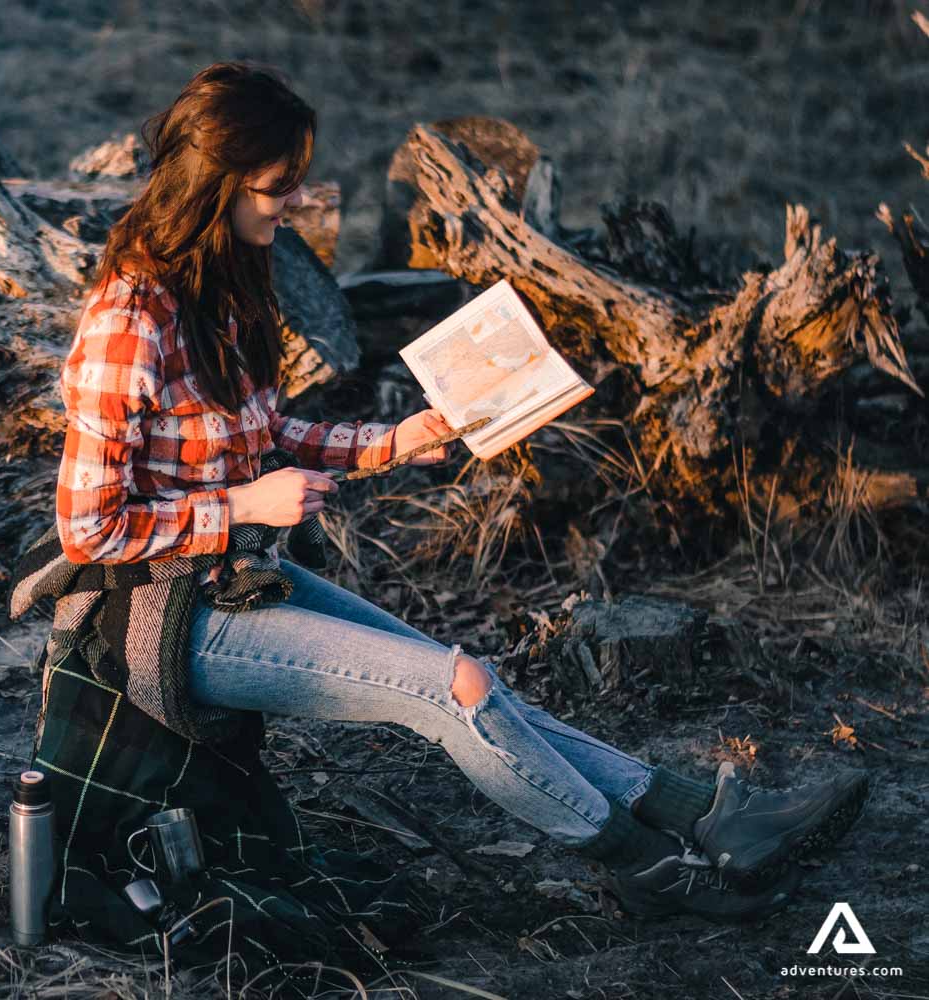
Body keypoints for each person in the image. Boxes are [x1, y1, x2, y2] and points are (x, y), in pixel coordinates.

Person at [51, 61, 868, 922]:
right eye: (278, 185)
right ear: (212, 183)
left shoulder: (220, 282)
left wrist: (396, 442)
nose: (296, 202)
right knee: (458, 689)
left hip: (233, 576)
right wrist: (244, 509)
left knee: (478, 687)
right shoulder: (129, 319)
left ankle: (706, 815)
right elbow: (85, 529)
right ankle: (659, 874)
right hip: (158, 618)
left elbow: (261, 433)